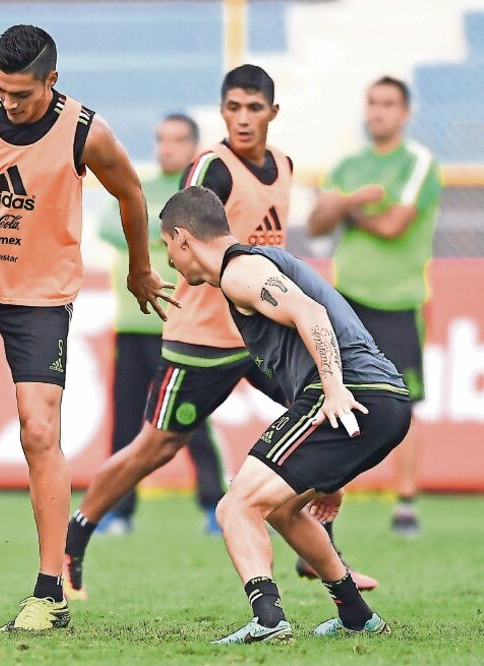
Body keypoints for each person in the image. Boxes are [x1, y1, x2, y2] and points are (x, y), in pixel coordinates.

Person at [0, 25, 175, 632]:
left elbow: (131, 195)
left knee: (39, 430)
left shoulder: (85, 132)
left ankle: (50, 592)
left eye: (21, 94)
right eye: (2, 91)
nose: (9, 104)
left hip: (38, 296)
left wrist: (141, 269)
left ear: (53, 80)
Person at [159, 185, 409, 643]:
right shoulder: (254, 265)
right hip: (385, 400)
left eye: (166, 247)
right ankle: (356, 615)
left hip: (348, 389)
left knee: (235, 505)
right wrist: (332, 476)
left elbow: (311, 313)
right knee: (283, 509)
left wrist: (333, 389)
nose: (170, 261)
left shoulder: (240, 271)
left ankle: (268, 619)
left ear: (182, 238)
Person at [307, 76, 441, 537]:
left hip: (398, 298)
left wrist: (347, 208)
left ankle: (405, 504)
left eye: (388, 104)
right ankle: (325, 496)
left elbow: (392, 225)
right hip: (348, 298)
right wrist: (347, 202)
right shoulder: (349, 166)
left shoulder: (418, 162)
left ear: (405, 113)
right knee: (336, 394)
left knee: (405, 401)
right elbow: (318, 221)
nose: (378, 112)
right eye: (372, 103)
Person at [95, 113, 228, 537]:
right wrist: (168, 233)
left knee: (191, 420)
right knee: (126, 420)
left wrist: (146, 231)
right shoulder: (140, 185)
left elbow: (207, 236)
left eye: (176, 139)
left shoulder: (200, 194)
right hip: (133, 324)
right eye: (161, 139)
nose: (165, 147)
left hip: (182, 326)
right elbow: (106, 227)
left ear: (193, 145)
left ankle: (214, 506)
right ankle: (118, 511)